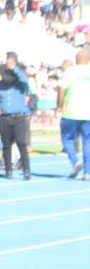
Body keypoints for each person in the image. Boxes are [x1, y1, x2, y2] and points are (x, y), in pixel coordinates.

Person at [0, 53, 32, 180]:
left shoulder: (21, 85)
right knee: (6, 145)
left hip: (19, 117)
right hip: (4, 118)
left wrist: (14, 68)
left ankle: (26, 169)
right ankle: (8, 170)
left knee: (21, 143)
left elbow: (24, 79)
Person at [57, 48, 90, 181]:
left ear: (76, 59)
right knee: (88, 142)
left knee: (67, 139)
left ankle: (75, 161)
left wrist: (59, 105)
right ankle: (88, 172)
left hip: (71, 112)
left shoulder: (71, 71)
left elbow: (61, 88)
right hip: (88, 114)